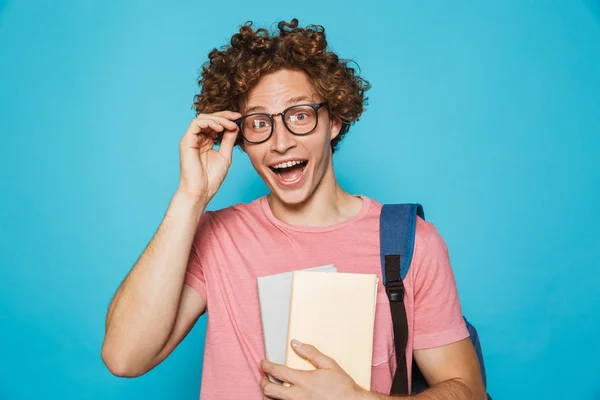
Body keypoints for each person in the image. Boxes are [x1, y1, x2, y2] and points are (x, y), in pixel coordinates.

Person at [101, 19, 487, 400]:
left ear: (334, 120)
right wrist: (190, 197)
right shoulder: (216, 238)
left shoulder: (411, 242)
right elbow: (124, 357)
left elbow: (467, 390)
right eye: (259, 123)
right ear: (240, 139)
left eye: (299, 115)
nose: (281, 142)